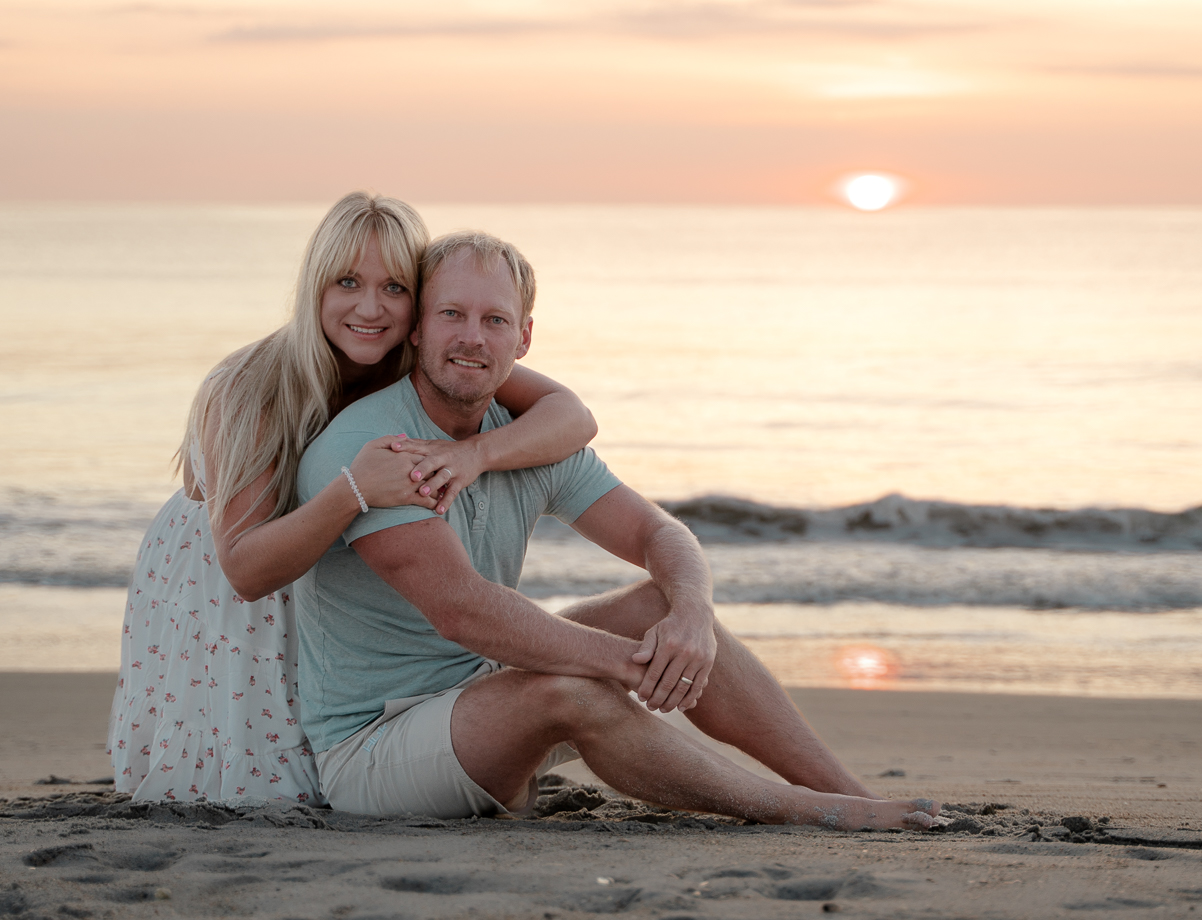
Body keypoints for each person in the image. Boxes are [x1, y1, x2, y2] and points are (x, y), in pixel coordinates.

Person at [293, 230, 940, 829]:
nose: (472, 337)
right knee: (572, 690)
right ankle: (802, 810)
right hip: (377, 749)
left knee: (663, 604)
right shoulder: (376, 447)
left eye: (494, 320)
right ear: (417, 329)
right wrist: (634, 668)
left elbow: (660, 534)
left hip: (482, 695)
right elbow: (463, 612)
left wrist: (690, 617)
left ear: (522, 340)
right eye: (452, 315)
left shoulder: (523, 438)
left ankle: (853, 793)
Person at [108, 193, 598, 804]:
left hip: (333, 571)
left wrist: (477, 455)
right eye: (347, 282)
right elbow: (244, 569)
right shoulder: (253, 387)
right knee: (259, 774)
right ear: (315, 287)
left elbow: (572, 416)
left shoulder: (413, 358)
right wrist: (353, 492)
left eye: (393, 287)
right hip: (230, 556)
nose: (371, 308)